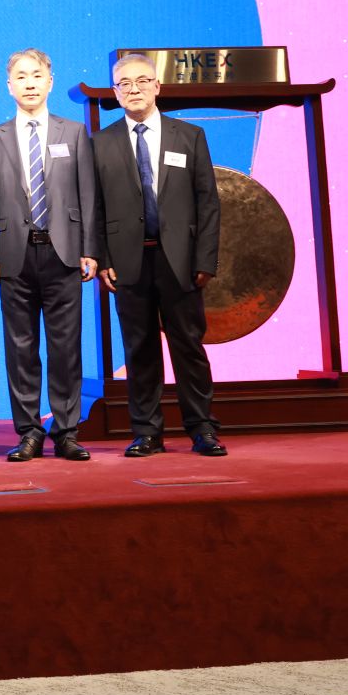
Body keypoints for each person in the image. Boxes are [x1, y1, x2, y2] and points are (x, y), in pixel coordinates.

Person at [92, 52, 226, 457]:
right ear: (115, 92)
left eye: (141, 81)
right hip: (127, 261)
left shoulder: (190, 136)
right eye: (124, 84)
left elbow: (208, 203)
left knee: (188, 346)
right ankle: (147, 432)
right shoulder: (100, 143)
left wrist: (205, 260)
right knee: (139, 349)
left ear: (157, 86)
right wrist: (103, 259)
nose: (133, 89)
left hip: (180, 261)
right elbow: (94, 207)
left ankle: (202, 428)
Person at [0, 49, 98, 463]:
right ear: (9, 86)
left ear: (50, 82)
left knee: (65, 347)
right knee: (21, 348)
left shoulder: (74, 132)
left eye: (36, 75)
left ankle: (66, 431)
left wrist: (90, 249)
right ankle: (29, 432)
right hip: (13, 254)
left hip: (64, 252)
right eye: (21, 76)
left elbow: (88, 195)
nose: (29, 83)